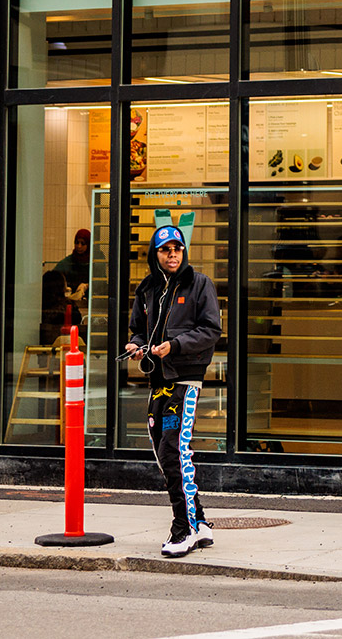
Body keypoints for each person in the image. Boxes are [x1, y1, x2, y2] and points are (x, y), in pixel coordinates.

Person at [124, 225, 223, 558]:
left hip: (185, 381)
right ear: (156, 254)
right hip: (158, 382)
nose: (172, 254)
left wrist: (176, 345)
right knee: (165, 454)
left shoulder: (200, 284)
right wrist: (136, 346)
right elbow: (139, 329)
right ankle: (200, 522)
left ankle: (184, 529)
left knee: (174, 453)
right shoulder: (148, 288)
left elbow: (211, 330)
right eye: (165, 249)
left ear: (184, 251)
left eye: (177, 249)